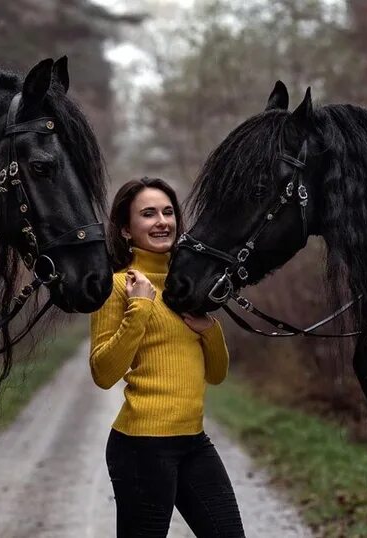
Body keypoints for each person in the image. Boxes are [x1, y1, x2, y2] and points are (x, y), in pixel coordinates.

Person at [90, 177, 245, 537]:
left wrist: (210, 329)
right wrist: (139, 309)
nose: (162, 221)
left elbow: (217, 374)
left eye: (168, 212)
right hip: (141, 447)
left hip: (193, 441)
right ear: (126, 230)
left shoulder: (187, 285)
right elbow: (103, 372)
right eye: (148, 214)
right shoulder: (117, 286)